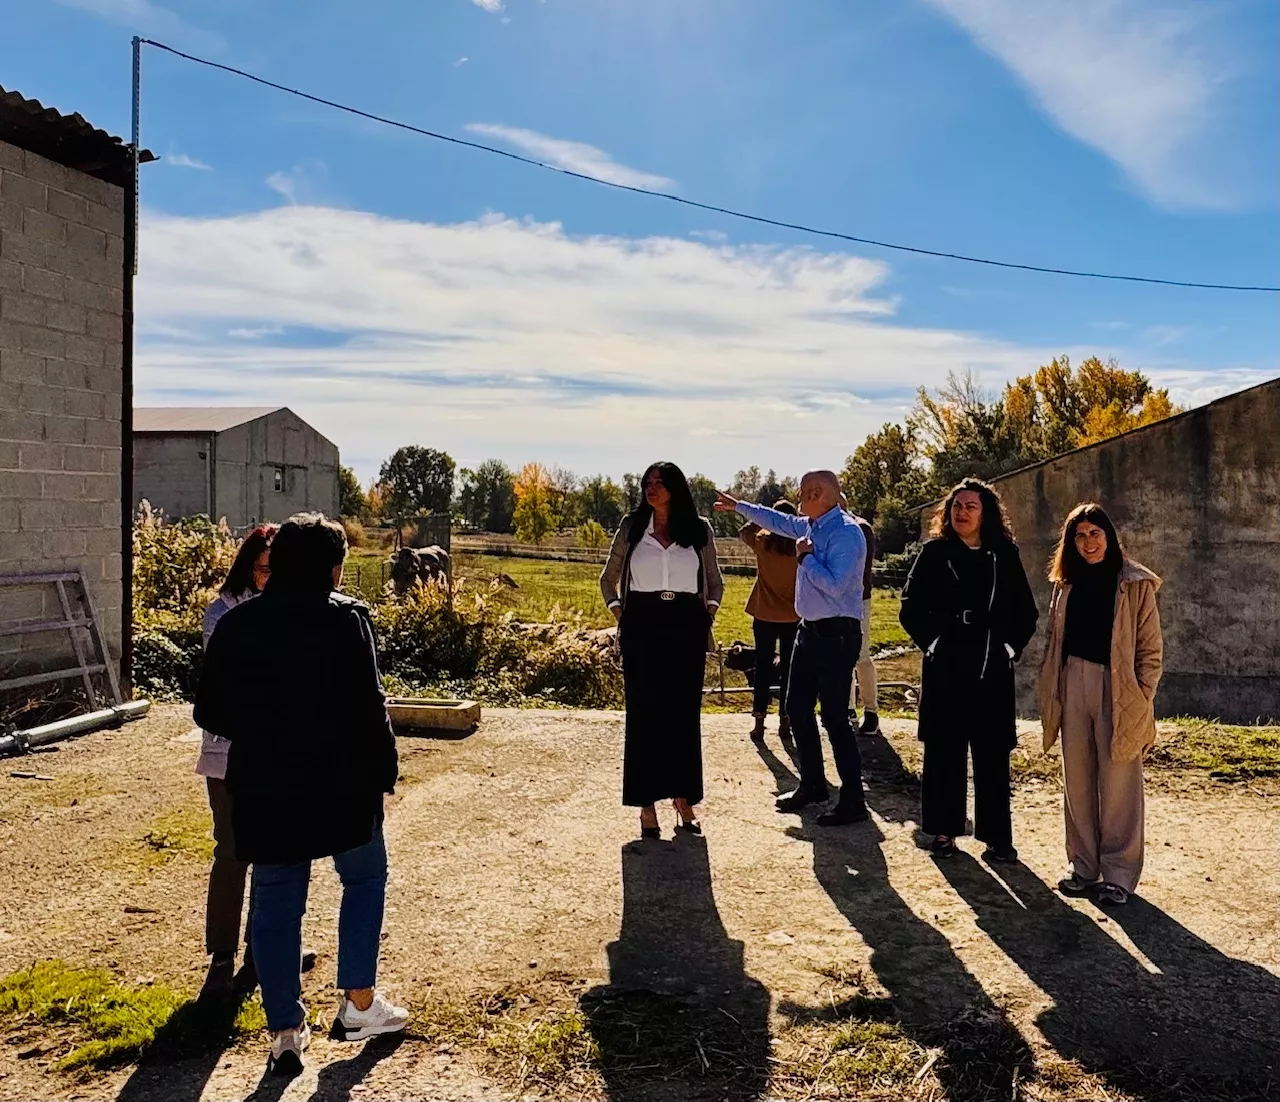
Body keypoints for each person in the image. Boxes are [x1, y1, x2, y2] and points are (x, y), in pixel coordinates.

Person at [194, 513, 408, 1075]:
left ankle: (285, 1030)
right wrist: (384, 768)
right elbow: (370, 703)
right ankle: (359, 1002)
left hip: (264, 782)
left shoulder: (238, 625)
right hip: (342, 783)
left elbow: (209, 711)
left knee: (277, 897)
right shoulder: (347, 620)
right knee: (363, 879)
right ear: (333, 568)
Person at [716, 471, 868, 826]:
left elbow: (836, 585)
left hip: (837, 633)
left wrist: (805, 559)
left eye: (802, 492)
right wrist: (739, 506)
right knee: (796, 706)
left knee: (834, 717)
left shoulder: (846, 533)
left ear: (817, 493)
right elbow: (778, 520)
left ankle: (853, 800)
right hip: (810, 630)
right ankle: (813, 784)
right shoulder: (811, 526)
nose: (798, 497)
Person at [898, 478, 1038, 862]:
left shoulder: (1003, 555)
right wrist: (935, 644)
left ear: (985, 512)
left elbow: (1027, 612)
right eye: (956, 506)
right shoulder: (934, 553)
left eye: (970, 506)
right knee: (945, 751)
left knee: (992, 754)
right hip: (946, 666)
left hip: (992, 665)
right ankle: (944, 832)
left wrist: (1009, 647)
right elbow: (909, 607)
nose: (961, 512)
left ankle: (996, 837)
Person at [1036, 503, 1163, 906]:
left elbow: (1150, 650)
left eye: (1095, 533)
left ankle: (1119, 874)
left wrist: (1142, 695)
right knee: (1077, 777)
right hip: (1072, 680)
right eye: (1080, 535)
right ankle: (1083, 866)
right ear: (1070, 543)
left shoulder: (1135, 584)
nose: (1088, 542)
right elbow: (1053, 640)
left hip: (1118, 688)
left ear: (1109, 536)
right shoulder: (1064, 583)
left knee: (1119, 779)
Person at [600, 462, 723, 839]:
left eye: (659, 483)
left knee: (683, 717)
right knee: (644, 715)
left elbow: (715, 582)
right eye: (647, 483)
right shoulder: (632, 526)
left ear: (675, 488)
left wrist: (708, 615)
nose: (652, 489)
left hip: (687, 624)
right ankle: (646, 804)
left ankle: (683, 799)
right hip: (644, 625)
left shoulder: (699, 529)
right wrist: (621, 614)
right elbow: (608, 579)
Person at [197, 524, 279, 1000]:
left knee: (275, 853)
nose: (271, 578)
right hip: (227, 755)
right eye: (265, 569)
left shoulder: (284, 610)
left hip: (272, 755)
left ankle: (263, 946)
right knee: (231, 852)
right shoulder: (222, 612)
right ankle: (222, 951)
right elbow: (232, 679)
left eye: (278, 569)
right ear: (248, 567)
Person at [737, 500, 800, 743]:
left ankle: (759, 722)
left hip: (764, 613)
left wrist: (763, 517)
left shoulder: (762, 542)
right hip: (793, 614)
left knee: (762, 668)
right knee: (788, 669)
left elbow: (744, 531)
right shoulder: (799, 546)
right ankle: (786, 721)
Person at [847, 512, 880, 736]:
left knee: (861, 656)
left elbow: (859, 570)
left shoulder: (862, 529)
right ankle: (848, 708)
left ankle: (871, 711)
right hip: (832, 601)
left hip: (858, 600)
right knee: (841, 658)